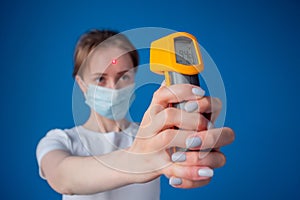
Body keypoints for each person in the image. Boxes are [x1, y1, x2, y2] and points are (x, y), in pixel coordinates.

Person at [36, 29, 235, 200]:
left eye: (123, 76)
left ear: (134, 79)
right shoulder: (60, 140)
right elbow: (63, 177)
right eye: (101, 79)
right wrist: (136, 161)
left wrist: (194, 143)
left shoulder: (157, 137)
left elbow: (182, 166)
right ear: (81, 84)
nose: (114, 87)